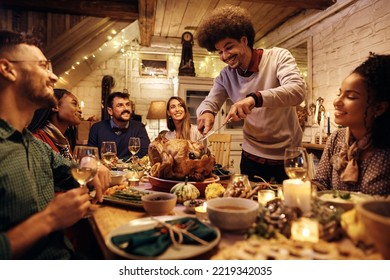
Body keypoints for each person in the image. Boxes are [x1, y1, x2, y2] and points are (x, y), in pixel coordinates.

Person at [0, 30, 110, 259]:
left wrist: (95, 167)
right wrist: (49, 218)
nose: (53, 77)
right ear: (7, 69)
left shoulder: (36, 146)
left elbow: (73, 170)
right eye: (42, 66)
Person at [196, 5, 306, 183]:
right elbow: (211, 101)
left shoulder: (278, 57)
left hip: (288, 156)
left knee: (291, 207)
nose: (224, 56)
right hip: (251, 157)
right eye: (220, 52)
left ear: (244, 40)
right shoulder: (226, 75)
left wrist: (254, 99)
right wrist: (206, 112)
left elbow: (297, 91)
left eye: (229, 47)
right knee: (251, 206)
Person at [312, 53, 390, 196]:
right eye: (339, 93)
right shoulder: (337, 138)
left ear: (379, 108)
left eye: (351, 97)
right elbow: (321, 183)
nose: (337, 102)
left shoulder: (385, 151)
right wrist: (302, 188)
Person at [88, 91, 150, 161]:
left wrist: (122, 161)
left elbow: (145, 152)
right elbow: (91, 155)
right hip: (105, 170)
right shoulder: (97, 128)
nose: (126, 108)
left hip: (130, 171)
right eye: (120, 105)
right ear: (110, 111)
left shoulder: (139, 127)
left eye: (128, 104)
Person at [28, 88, 82, 161]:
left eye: (79, 106)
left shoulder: (65, 142)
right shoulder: (38, 140)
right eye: (74, 104)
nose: (80, 110)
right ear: (55, 106)